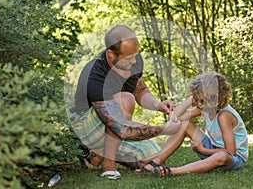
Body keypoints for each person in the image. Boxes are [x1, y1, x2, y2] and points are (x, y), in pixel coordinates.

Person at [69, 25, 180, 179]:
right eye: (129, 58)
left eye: (136, 55)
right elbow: (118, 127)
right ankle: (108, 164)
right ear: (111, 54)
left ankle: (97, 154)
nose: (134, 61)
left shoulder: (133, 58)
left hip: (114, 131)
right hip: (87, 128)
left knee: (155, 158)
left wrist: (157, 105)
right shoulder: (94, 75)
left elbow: (140, 90)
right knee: (125, 99)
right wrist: (163, 129)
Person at [135, 72, 248, 177]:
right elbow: (176, 118)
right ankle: (158, 160)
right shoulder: (205, 109)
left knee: (222, 156)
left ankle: (172, 171)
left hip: (232, 158)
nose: (197, 104)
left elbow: (230, 152)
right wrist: (190, 100)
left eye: (200, 100)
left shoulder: (224, 115)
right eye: (196, 99)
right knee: (184, 124)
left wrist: (203, 150)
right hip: (214, 149)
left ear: (215, 100)